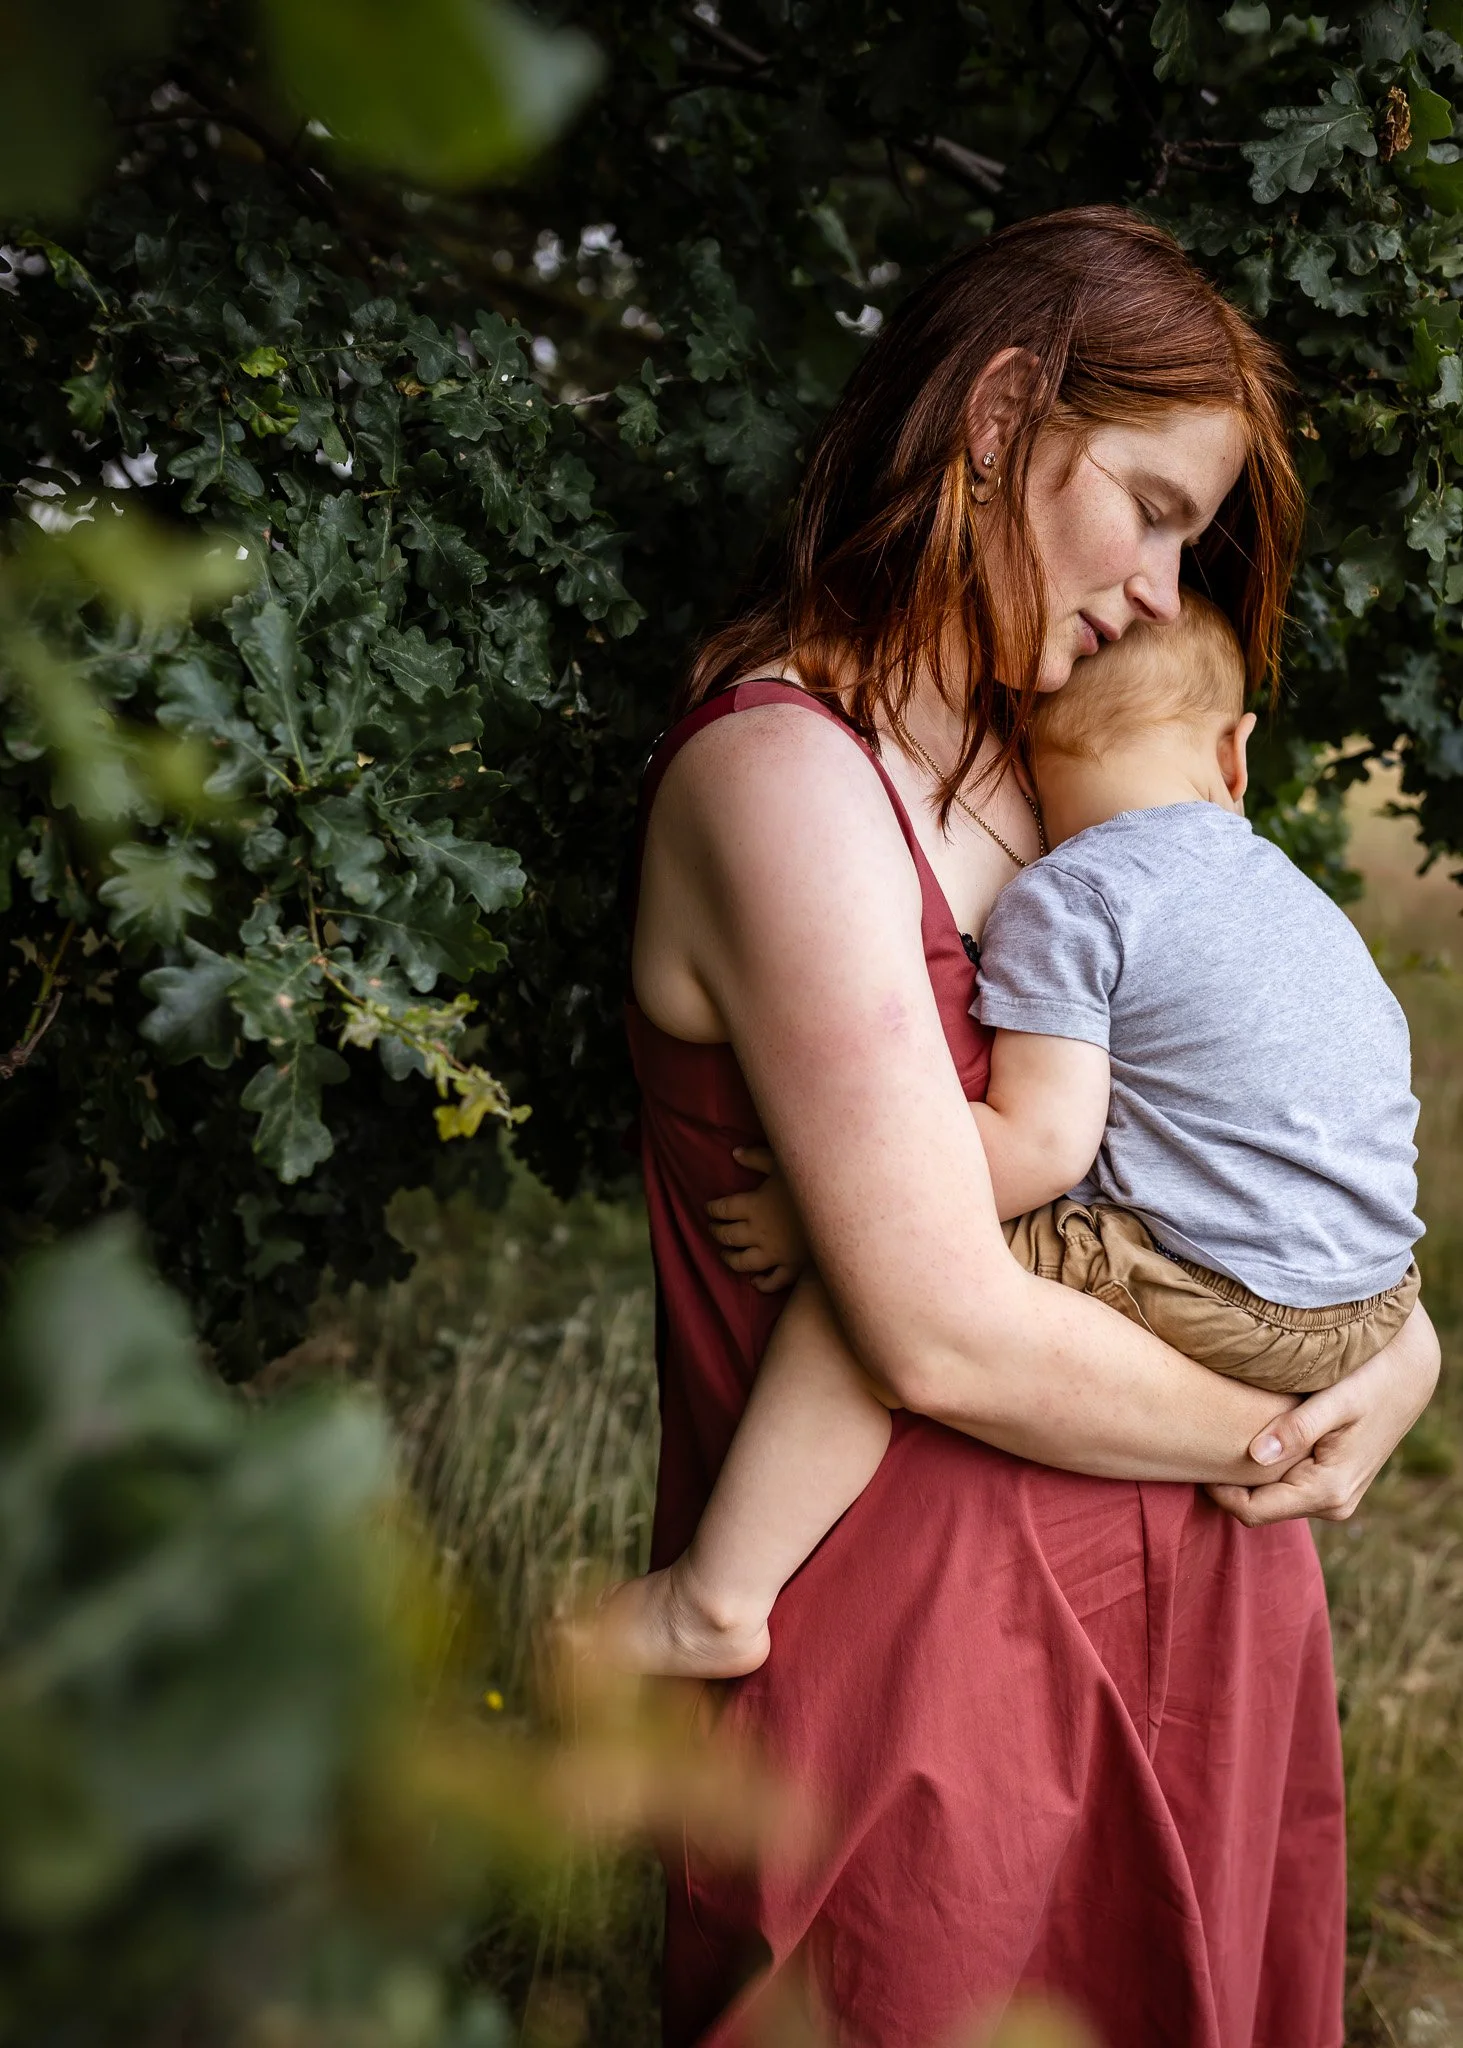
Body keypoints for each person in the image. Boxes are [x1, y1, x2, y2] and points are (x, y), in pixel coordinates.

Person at [622, 207, 1439, 2048]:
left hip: (1206, 1598)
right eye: (1147, 506)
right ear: (998, 419)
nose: (1163, 589)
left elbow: (1246, 1111)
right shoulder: (784, 779)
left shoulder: (1068, 784)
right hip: (918, 1672)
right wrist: (1312, 1408)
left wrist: (1402, 1338)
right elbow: (934, 1323)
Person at [606, 589, 1425, 1686]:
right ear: (1234, 755)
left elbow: (1040, 1145)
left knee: (866, 1282)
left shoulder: (1071, 895)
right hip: (1370, 1302)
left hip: (1239, 1299)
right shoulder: (1297, 899)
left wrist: (821, 1204)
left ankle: (716, 1595)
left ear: (1023, 764)